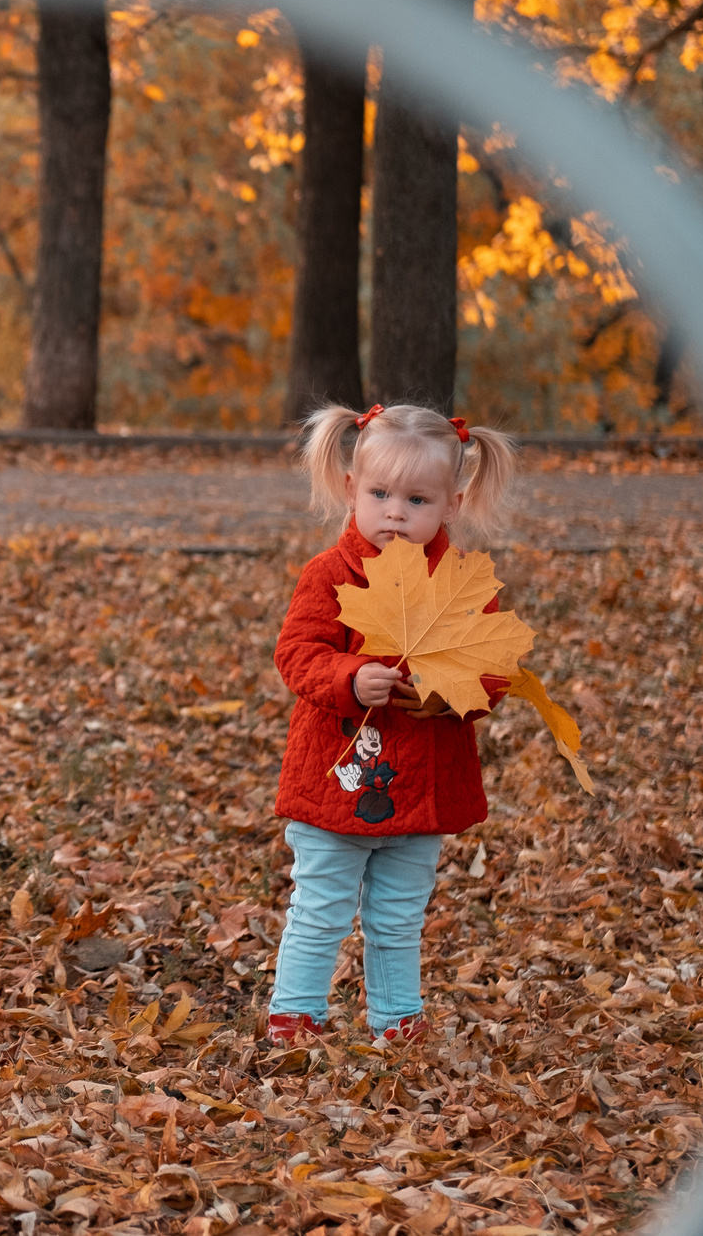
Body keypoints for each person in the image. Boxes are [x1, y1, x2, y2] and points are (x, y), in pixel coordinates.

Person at [262, 402, 521, 1049]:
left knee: (400, 916)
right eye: (380, 494)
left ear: (451, 503)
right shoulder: (329, 575)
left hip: (422, 791)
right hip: (336, 782)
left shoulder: (460, 583)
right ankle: (294, 1015)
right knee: (320, 908)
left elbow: (492, 667)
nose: (396, 513)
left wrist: (448, 697)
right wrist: (349, 677)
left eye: (417, 498)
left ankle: (396, 1020)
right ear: (352, 490)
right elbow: (297, 653)